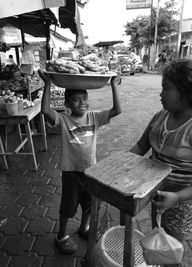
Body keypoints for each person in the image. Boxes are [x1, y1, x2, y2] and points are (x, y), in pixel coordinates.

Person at [38, 70, 121, 254]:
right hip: (71, 172)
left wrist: (113, 85)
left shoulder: (94, 117)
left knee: (89, 203)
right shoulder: (64, 120)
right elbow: (45, 111)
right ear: (67, 104)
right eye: (76, 100)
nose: (82, 102)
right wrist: (48, 85)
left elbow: (117, 110)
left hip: (91, 171)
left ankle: (84, 227)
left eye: (84, 98)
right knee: (69, 206)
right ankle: (61, 236)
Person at [129, 59, 192, 267]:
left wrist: (177, 197)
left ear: (186, 91)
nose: (161, 93)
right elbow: (140, 147)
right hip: (156, 193)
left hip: (181, 200)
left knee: (171, 251)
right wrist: (119, 165)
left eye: (167, 88)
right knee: (158, 240)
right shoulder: (160, 116)